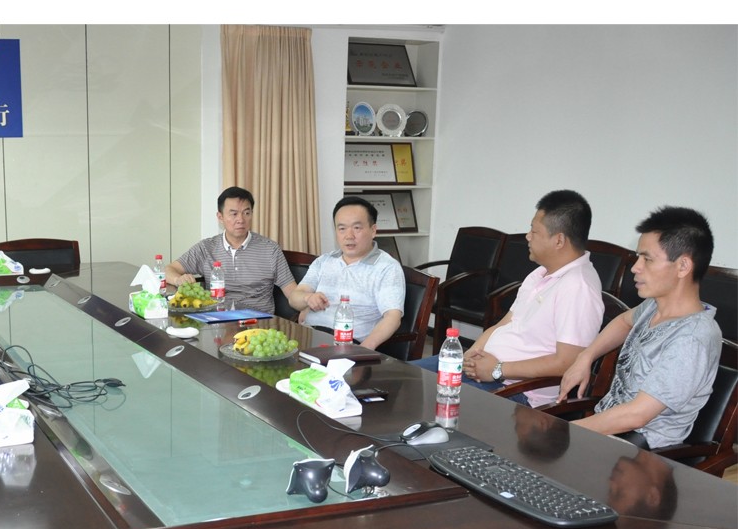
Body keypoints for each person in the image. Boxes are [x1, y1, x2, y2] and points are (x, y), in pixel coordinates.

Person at [412, 190, 604, 404]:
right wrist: (471, 355)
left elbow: (567, 362)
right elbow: (505, 323)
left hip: (518, 391)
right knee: (405, 377)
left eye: (534, 231)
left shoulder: (578, 287)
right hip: (488, 371)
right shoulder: (540, 273)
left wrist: (497, 370)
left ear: (559, 240)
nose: (527, 236)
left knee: (423, 398)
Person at [560, 206, 721, 448]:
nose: (635, 267)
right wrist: (586, 356)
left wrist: (564, 432)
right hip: (609, 430)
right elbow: (623, 321)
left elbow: (637, 415)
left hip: (641, 451)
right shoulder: (654, 306)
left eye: (647, 259)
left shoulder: (692, 337)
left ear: (683, 266)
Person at [286, 196, 405, 350]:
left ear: (373, 230)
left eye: (357, 228)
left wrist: (362, 351)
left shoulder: (387, 267)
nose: (349, 236)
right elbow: (294, 298)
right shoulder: (324, 261)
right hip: (309, 337)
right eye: (342, 228)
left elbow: (392, 317)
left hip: (349, 344)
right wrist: (308, 298)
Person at [165, 186, 298, 315]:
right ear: (220, 217)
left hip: (257, 322)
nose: (241, 220)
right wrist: (178, 280)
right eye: (234, 214)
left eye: (246, 213)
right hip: (217, 320)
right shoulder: (206, 248)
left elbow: (293, 292)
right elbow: (167, 270)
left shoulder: (270, 250)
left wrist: (305, 306)